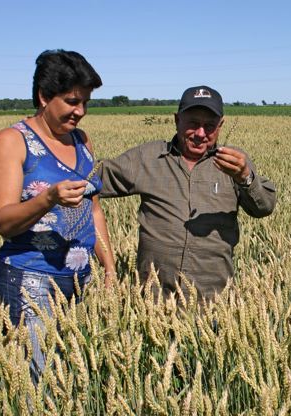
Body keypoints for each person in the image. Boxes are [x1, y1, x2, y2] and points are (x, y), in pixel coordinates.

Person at [0, 49, 115, 379]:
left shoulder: (82, 141)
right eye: (72, 101)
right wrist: (49, 198)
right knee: (36, 381)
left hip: (79, 278)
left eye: (86, 102)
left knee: (71, 376)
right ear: (44, 96)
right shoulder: (13, 141)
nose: (80, 111)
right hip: (32, 278)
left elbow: (93, 210)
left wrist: (109, 268)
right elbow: (4, 221)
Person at [100, 85, 276, 303]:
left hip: (213, 303)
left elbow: (264, 207)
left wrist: (245, 177)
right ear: (177, 120)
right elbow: (93, 179)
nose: (201, 134)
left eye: (209, 126)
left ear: (221, 126)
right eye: (193, 123)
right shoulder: (148, 158)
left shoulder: (234, 163)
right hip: (153, 302)